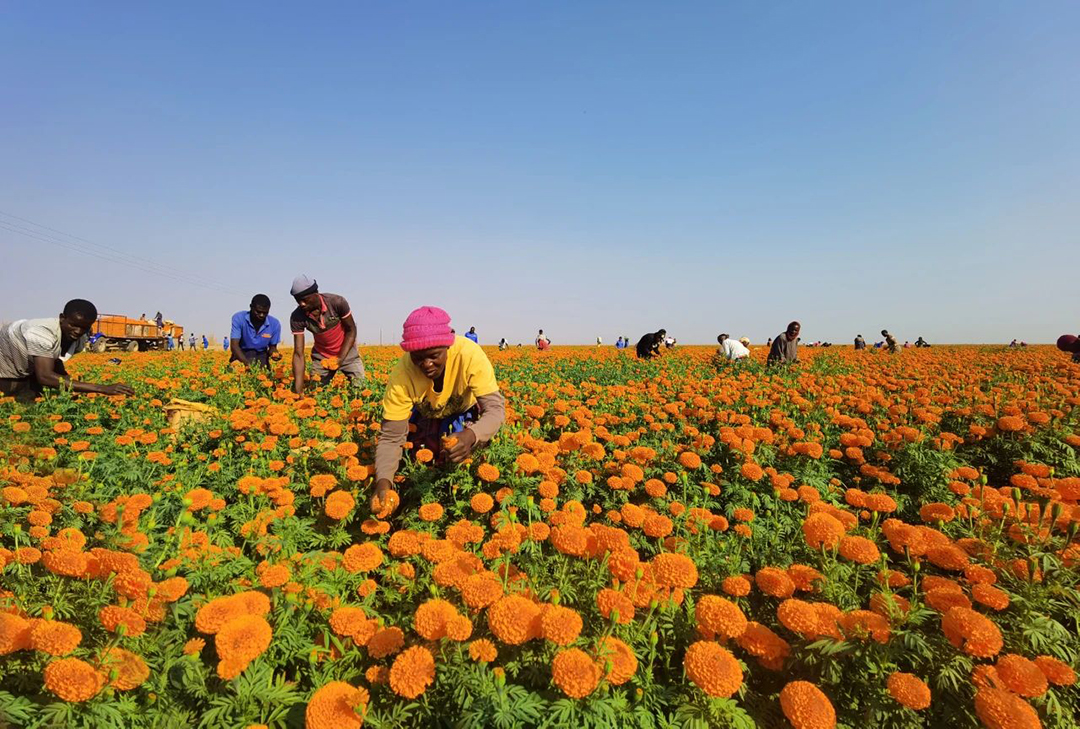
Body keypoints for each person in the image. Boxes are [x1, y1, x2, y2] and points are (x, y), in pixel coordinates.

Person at [371, 307, 506, 512]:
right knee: (418, 464)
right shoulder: (402, 374)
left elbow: (495, 410)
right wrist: (383, 484)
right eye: (417, 357)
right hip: (426, 414)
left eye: (434, 355)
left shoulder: (468, 354)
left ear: (448, 346)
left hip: (463, 413)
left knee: (461, 460)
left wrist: (472, 435)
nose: (426, 364)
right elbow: (391, 437)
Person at [0, 299, 135, 402]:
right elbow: (45, 376)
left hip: (25, 365)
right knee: (9, 403)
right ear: (62, 318)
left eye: (84, 327)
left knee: (33, 403)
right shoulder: (41, 333)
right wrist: (103, 389)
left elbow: (55, 360)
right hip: (5, 364)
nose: (78, 331)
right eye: (73, 325)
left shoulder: (79, 339)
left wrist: (72, 389)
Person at [289, 275, 365, 394]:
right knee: (315, 393)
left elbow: (351, 330)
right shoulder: (297, 317)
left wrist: (340, 358)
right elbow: (298, 354)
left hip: (347, 353)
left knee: (360, 390)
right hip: (322, 357)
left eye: (305, 299)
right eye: (298, 300)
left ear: (316, 294)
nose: (302, 304)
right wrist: (299, 391)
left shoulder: (336, 302)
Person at [230, 294, 281, 369]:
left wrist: (274, 354)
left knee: (263, 377)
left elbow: (272, 347)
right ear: (251, 307)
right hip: (241, 354)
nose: (261, 315)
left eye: (265, 313)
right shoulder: (239, 318)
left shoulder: (275, 324)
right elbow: (234, 346)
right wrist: (247, 364)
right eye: (258, 311)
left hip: (261, 355)